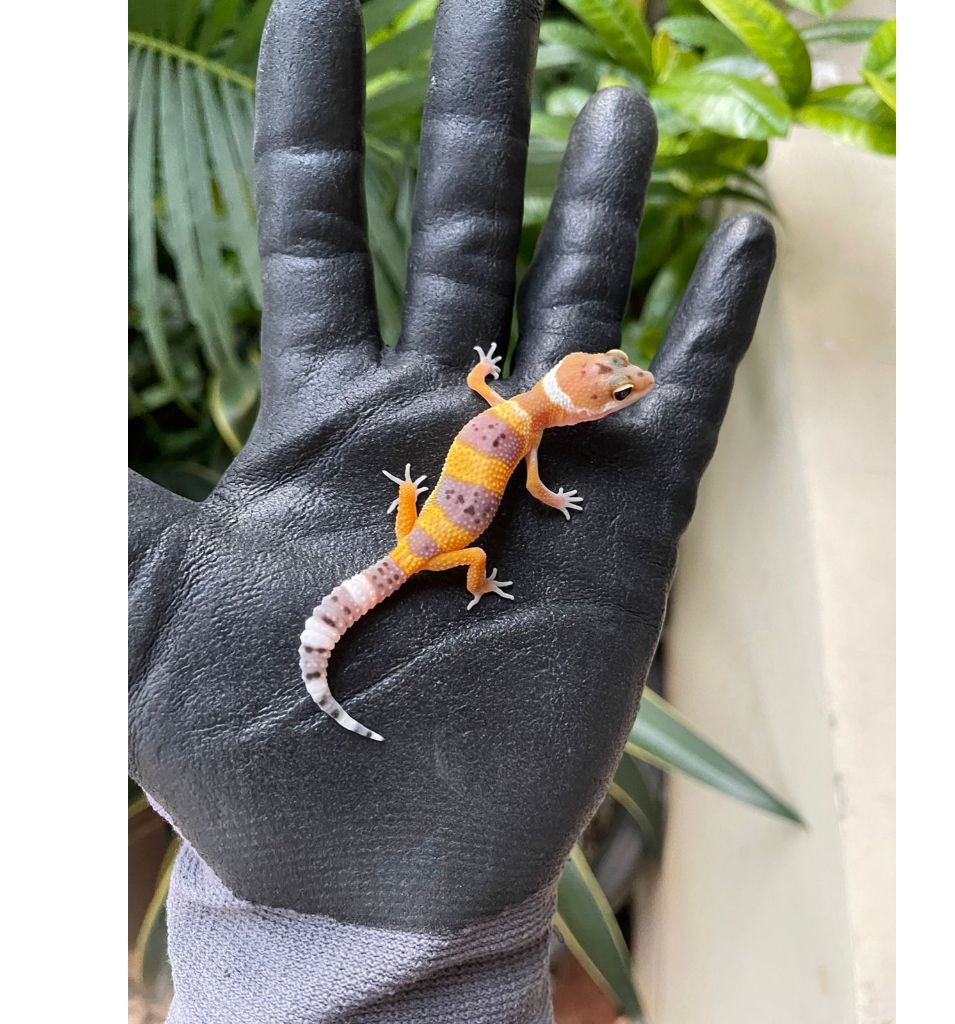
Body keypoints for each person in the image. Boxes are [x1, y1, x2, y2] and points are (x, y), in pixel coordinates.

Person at [128, 0, 776, 1020]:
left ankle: (353, 637)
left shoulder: (517, 412)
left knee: (411, 562)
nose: (620, 383)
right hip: (434, 550)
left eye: (613, 381)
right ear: (570, 392)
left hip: (423, 537)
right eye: (609, 384)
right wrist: (518, 517)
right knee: (417, 576)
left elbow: (494, 413)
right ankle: (334, 665)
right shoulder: (526, 434)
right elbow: (515, 466)